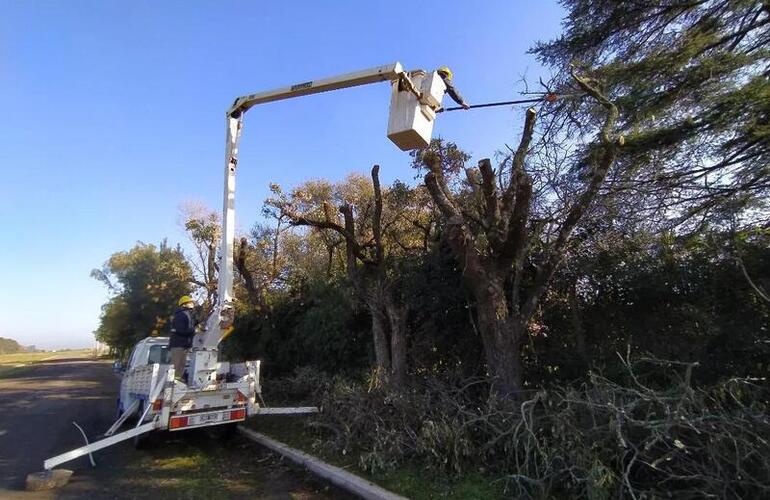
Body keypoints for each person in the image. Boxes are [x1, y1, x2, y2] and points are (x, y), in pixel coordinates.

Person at [169, 295, 196, 381]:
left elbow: (189, 325)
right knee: (176, 365)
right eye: (190, 302)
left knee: (181, 365)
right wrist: (194, 330)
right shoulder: (181, 314)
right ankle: (172, 383)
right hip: (178, 344)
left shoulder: (187, 314)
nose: (192, 303)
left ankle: (176, 382)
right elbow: (181, 330)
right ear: (184, 304)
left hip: (183, 345)